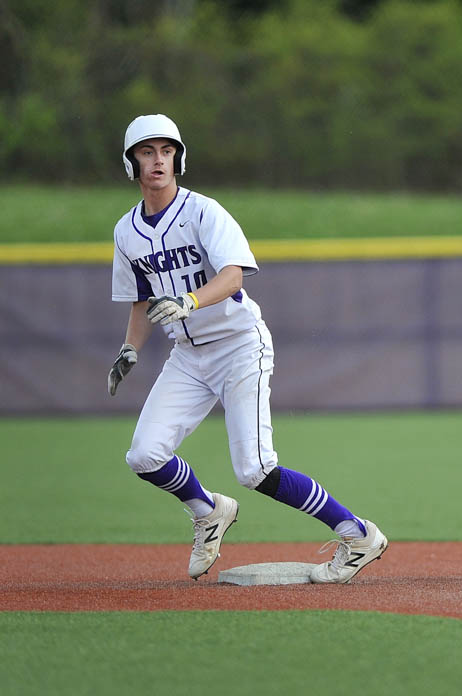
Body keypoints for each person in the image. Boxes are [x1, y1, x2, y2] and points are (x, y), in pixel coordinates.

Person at [108, 114, 387, 581]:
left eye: (166, 151)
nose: (158, 160)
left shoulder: (203, 211)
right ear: (130, 162)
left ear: (178, 158)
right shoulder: (127, 231)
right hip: (188, 355)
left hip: (239, 344)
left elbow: (234, 273)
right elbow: (140, 299)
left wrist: (190, 299)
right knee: (144, 455)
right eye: (147, 152)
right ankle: (208, 510)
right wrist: (130, 348)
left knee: (255, 469)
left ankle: (359, 534)